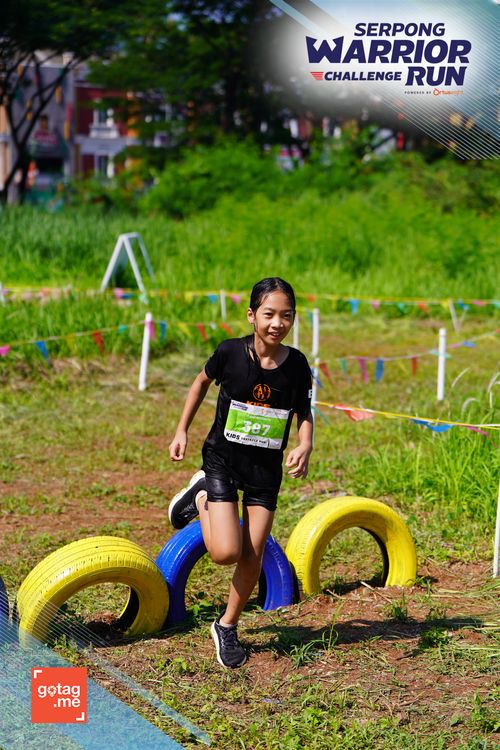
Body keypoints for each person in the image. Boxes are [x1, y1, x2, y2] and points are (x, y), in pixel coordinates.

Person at [168, 277, 313, 669]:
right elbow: (200, 383)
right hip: (222, 462)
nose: (277, 323)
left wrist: (305, 444)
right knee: (225, 552)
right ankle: (201, 492)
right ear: (252, 315)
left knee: (253, 553)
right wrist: (182, 430)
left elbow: (304, 412)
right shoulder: (230, 352)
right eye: (269, 314)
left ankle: (227, 625)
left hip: (265, 472)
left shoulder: (297, 365)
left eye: (286, 315)